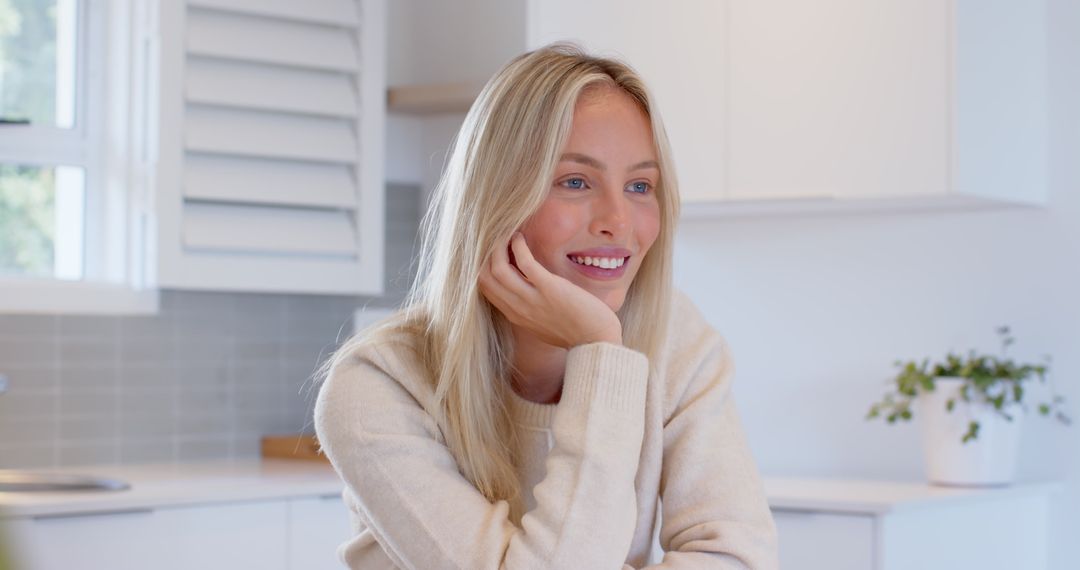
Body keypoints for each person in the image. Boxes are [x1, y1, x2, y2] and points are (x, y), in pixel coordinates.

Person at [313, 43, 778, 569]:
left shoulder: (678, 341)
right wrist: (599, 354)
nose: (619, 223)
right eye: (575, 181)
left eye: (640, 185)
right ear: (496, 198)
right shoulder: (377, 387)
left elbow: (737, 557)